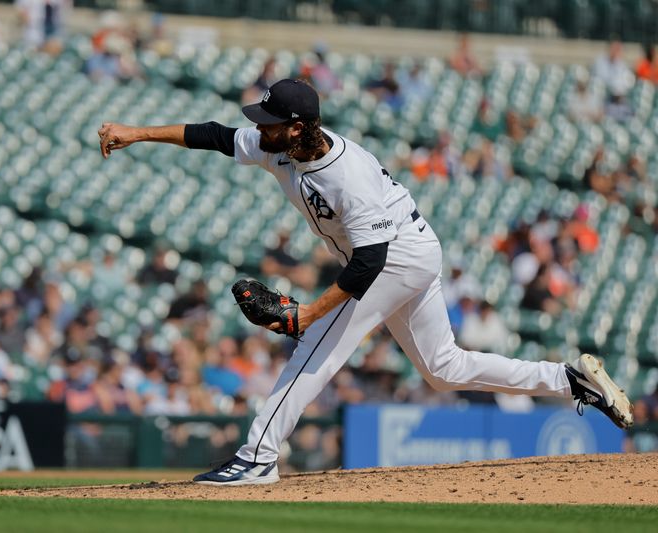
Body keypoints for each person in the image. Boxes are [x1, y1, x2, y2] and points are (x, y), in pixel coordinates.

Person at [97, 78, 634, 486]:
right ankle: (569, 380)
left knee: (318, 346)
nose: (259, 127)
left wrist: (309, 314)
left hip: (397, 256)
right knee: (443, 368)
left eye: (269, 120)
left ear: (300, 127)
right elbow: (212, 135)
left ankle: (257, 457)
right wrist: (137, 133)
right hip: (405, 250)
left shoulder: (347, 176)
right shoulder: (276, 144)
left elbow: (367, 265)